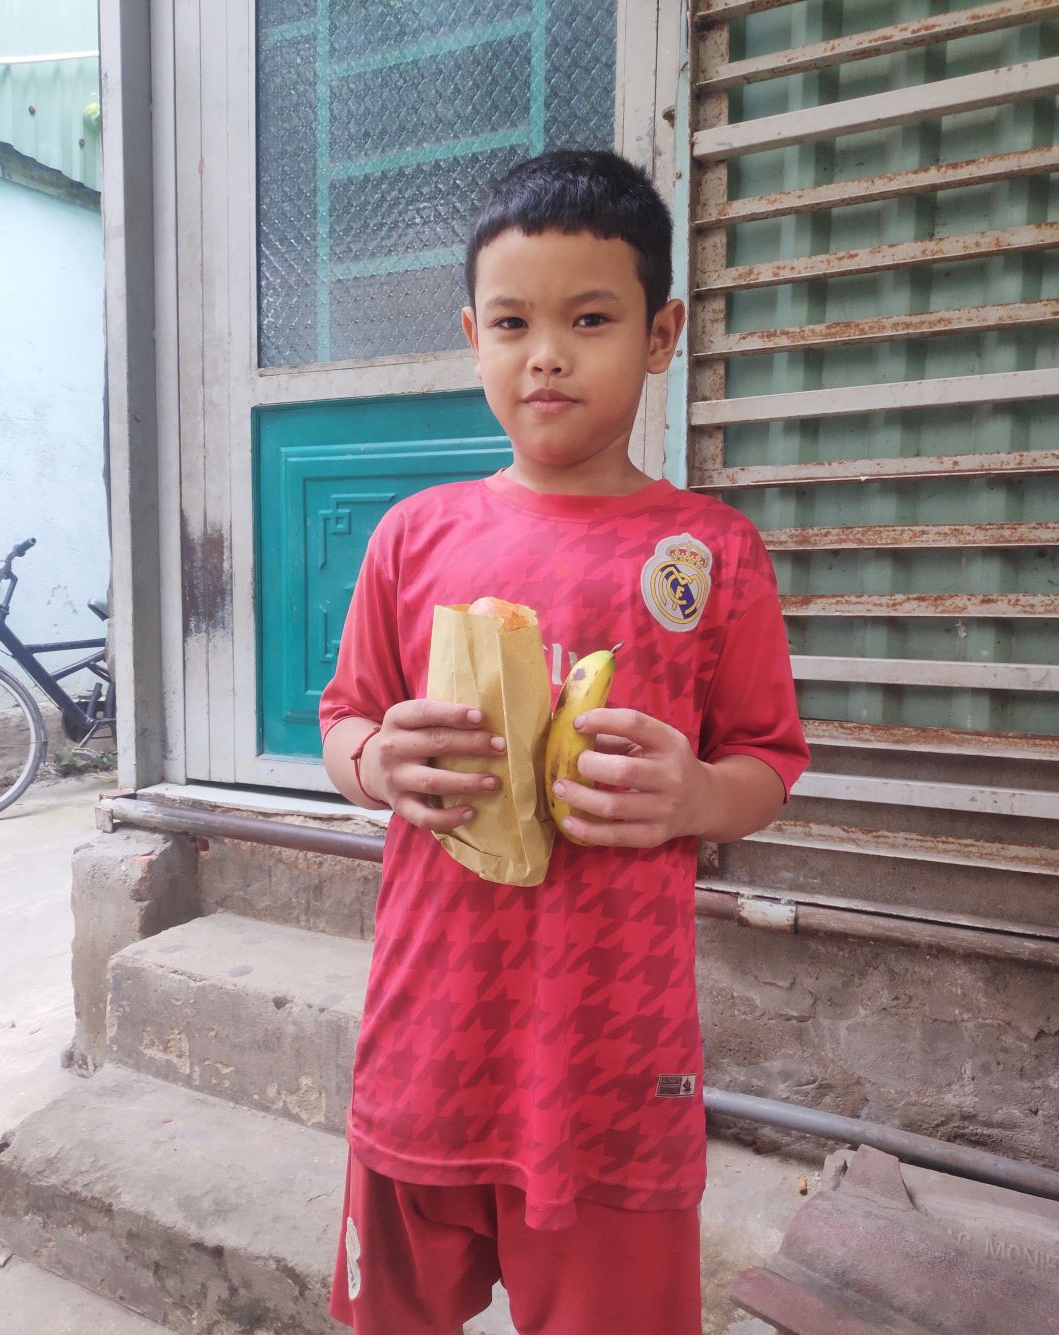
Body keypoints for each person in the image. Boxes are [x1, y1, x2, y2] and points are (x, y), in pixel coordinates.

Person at [319, 148, 809, 1335]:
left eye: (589, 319)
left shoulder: (712, 552)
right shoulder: (412, 537)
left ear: (660, 334)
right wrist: (377, 762)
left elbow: (768, 760)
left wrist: (696, 797)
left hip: (612, 1061)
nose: (546, 354)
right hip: (429, 1035)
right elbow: (345, 719)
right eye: (512, 323)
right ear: (473, 339)